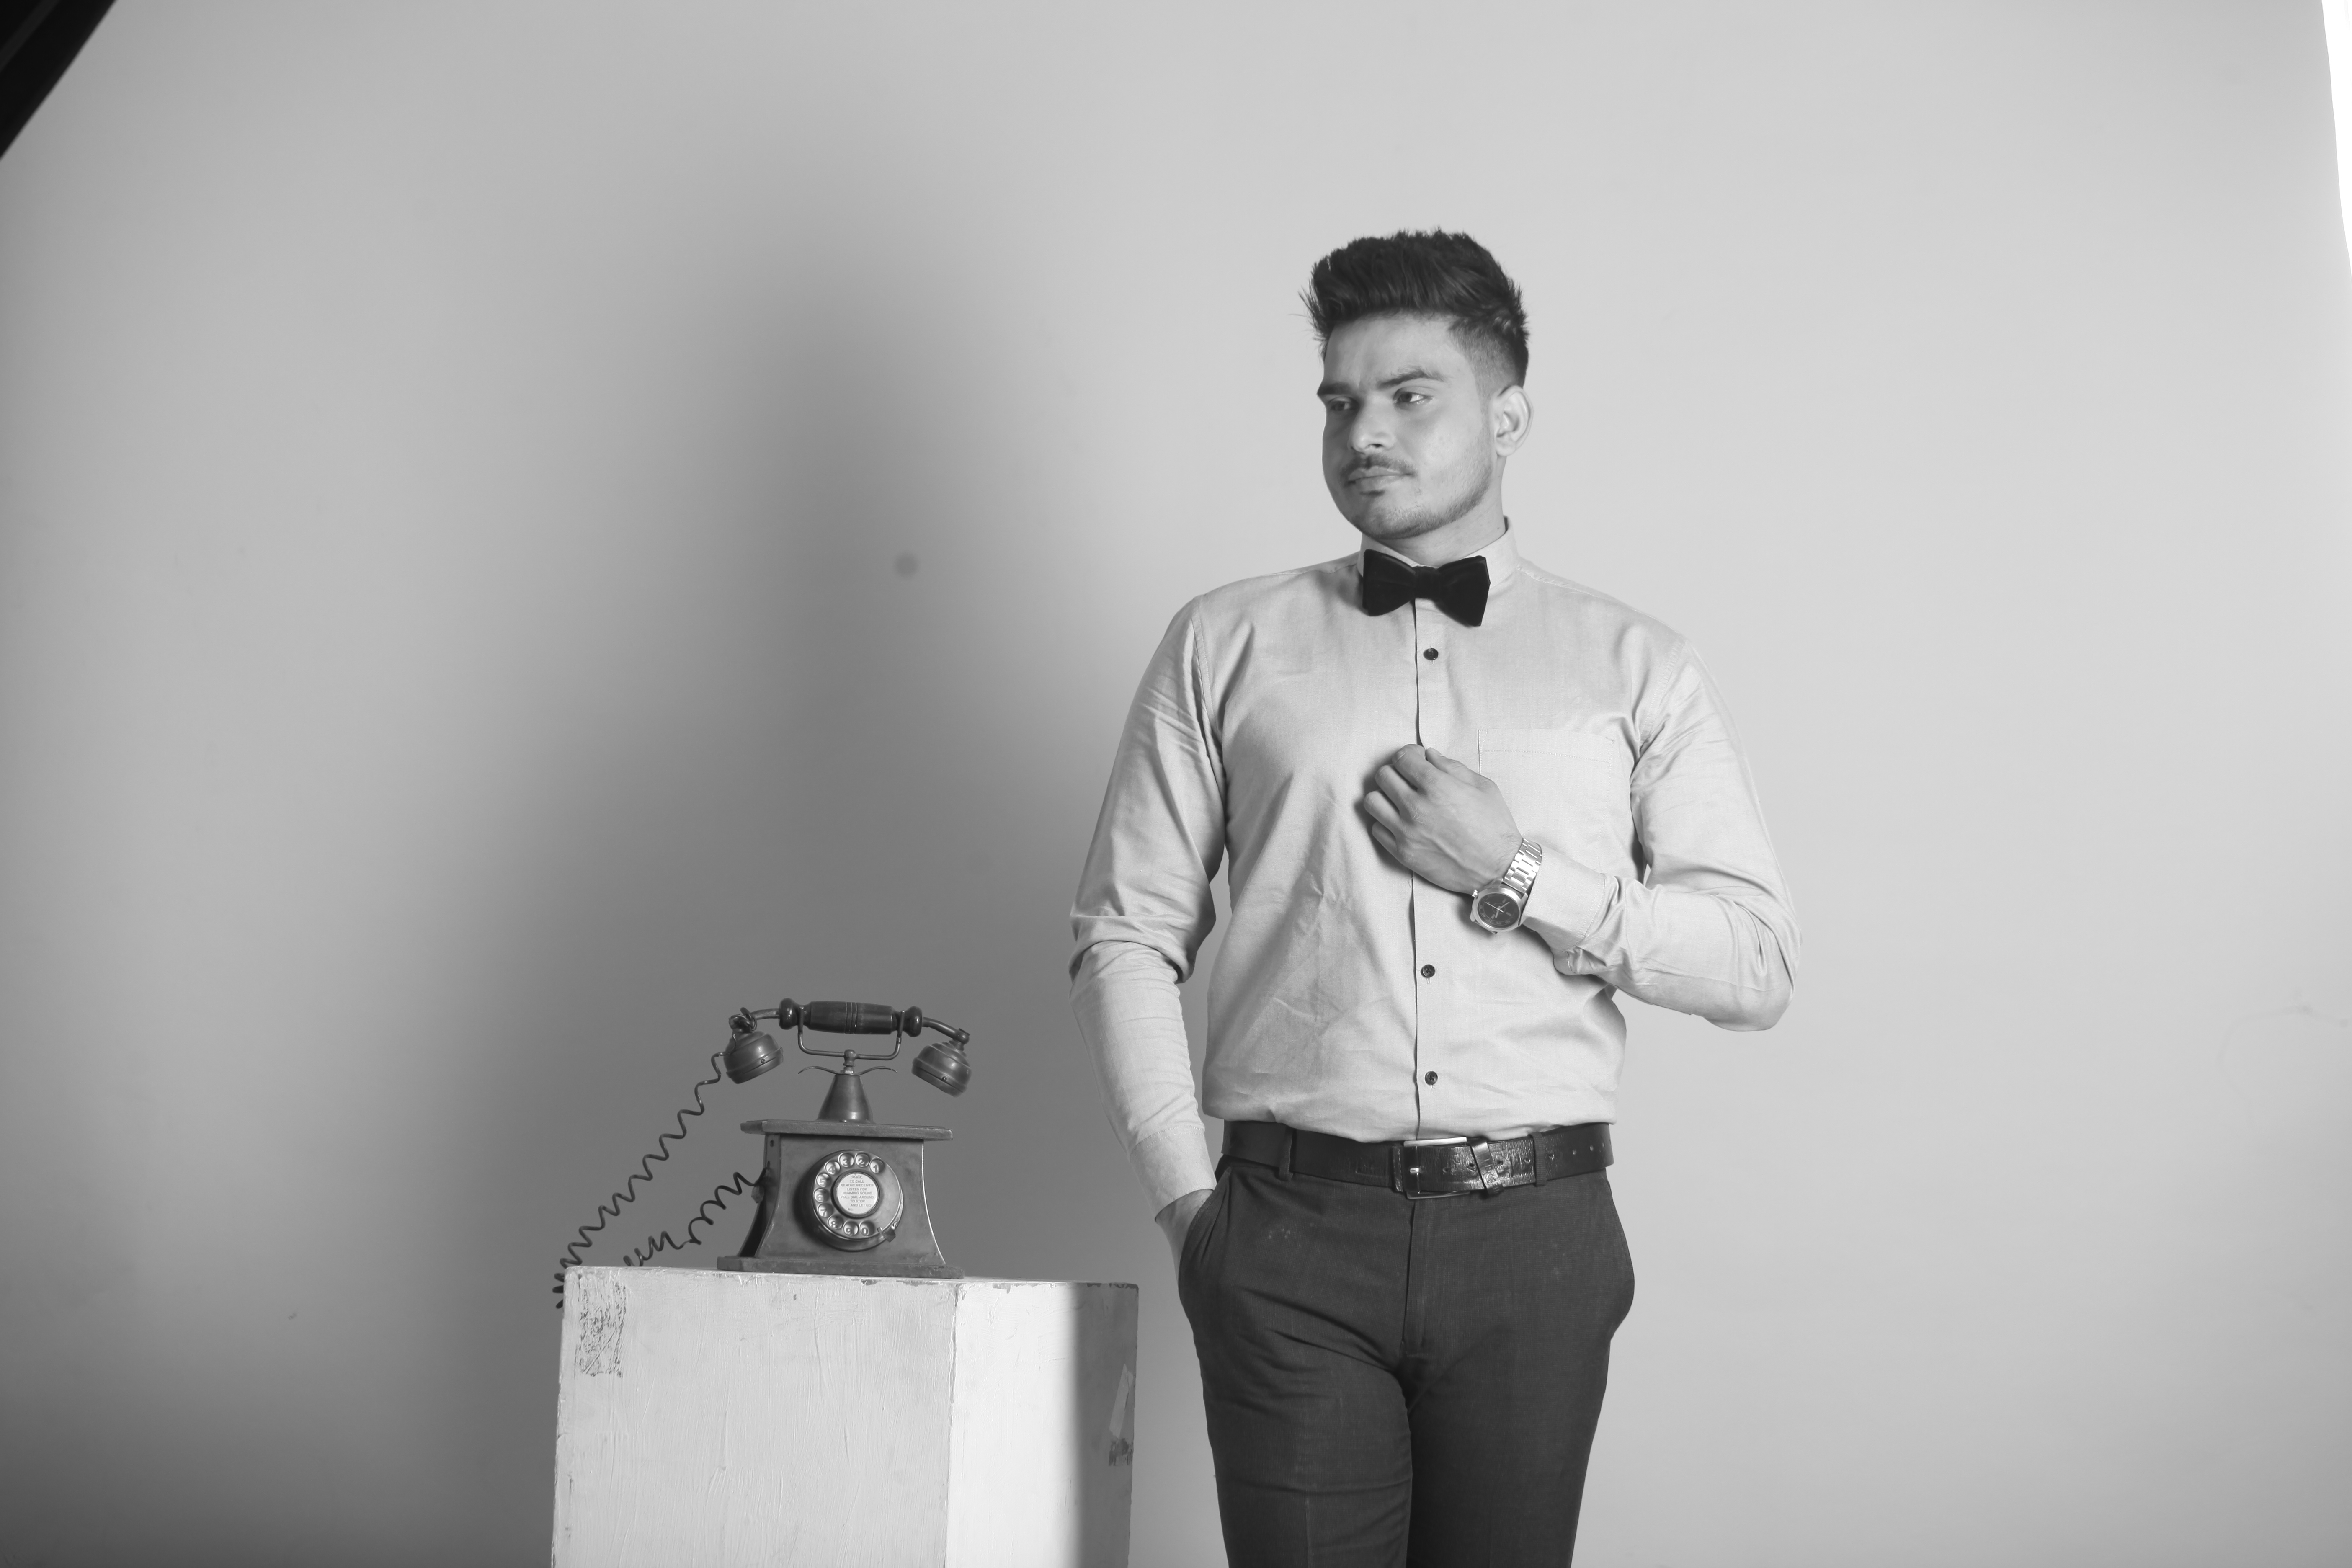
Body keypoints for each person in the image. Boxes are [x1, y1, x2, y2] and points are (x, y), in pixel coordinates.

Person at [1070, 230, 1798, 1567]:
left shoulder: (1634, 663)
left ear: (1508, 416)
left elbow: (1754, 963)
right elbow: (1124, 933)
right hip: (1286, 1237)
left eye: (1411, 396)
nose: (1365, 434)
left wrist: (1517, 878)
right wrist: (1190, 1210)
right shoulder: (1223, 642)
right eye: (1340, 401)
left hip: (1538, 1241)